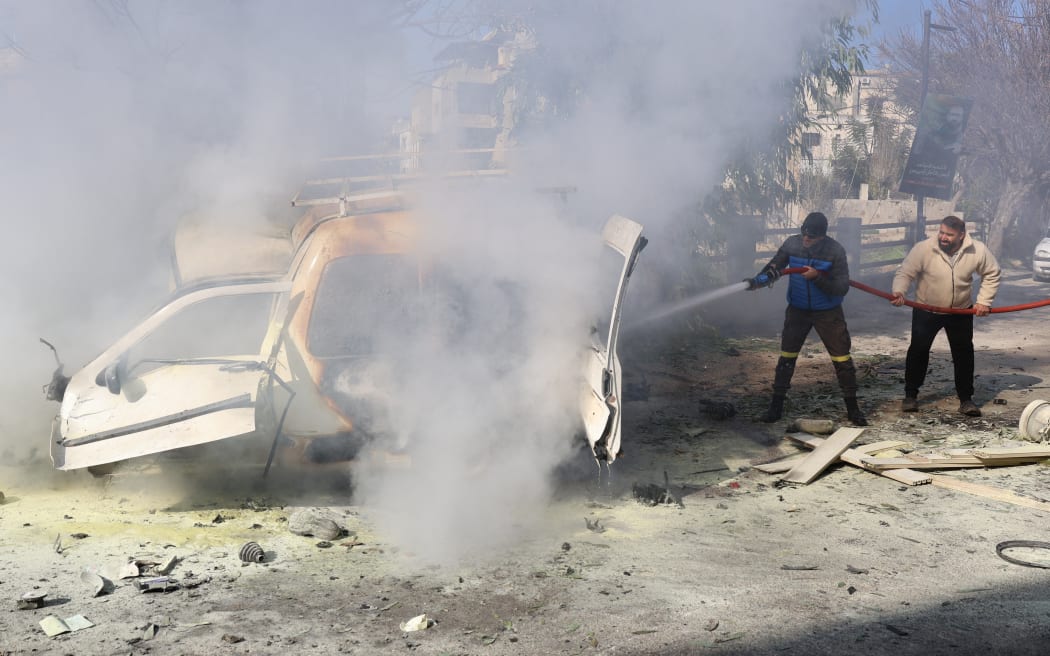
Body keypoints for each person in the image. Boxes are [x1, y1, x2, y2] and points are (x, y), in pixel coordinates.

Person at [745, 212, 867, 426]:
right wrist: (757, 282)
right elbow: (775, 267)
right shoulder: (792, 243)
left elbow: (841, 287)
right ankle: (775, 408)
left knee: (842, 360)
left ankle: (853, 410)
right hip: (798, 310)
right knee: (786, 358)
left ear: (822, 236)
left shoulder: (835, 251)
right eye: (804, 234)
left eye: (811, 237)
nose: (806, 239)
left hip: (828, 312)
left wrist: (817, 277)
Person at [891, 215, 1001, 416]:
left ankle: (966, 400)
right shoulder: (923, 248)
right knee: (918, 350)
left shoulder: (977, 250)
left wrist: (984, 301)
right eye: (941, 232)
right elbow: (905, 272)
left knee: (963, 354)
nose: (943, 237)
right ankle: (910, 396)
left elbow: (992, 273)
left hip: (960, 311)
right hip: (927, 309)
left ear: (961, 235)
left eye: (949, 235)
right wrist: (899, 291)